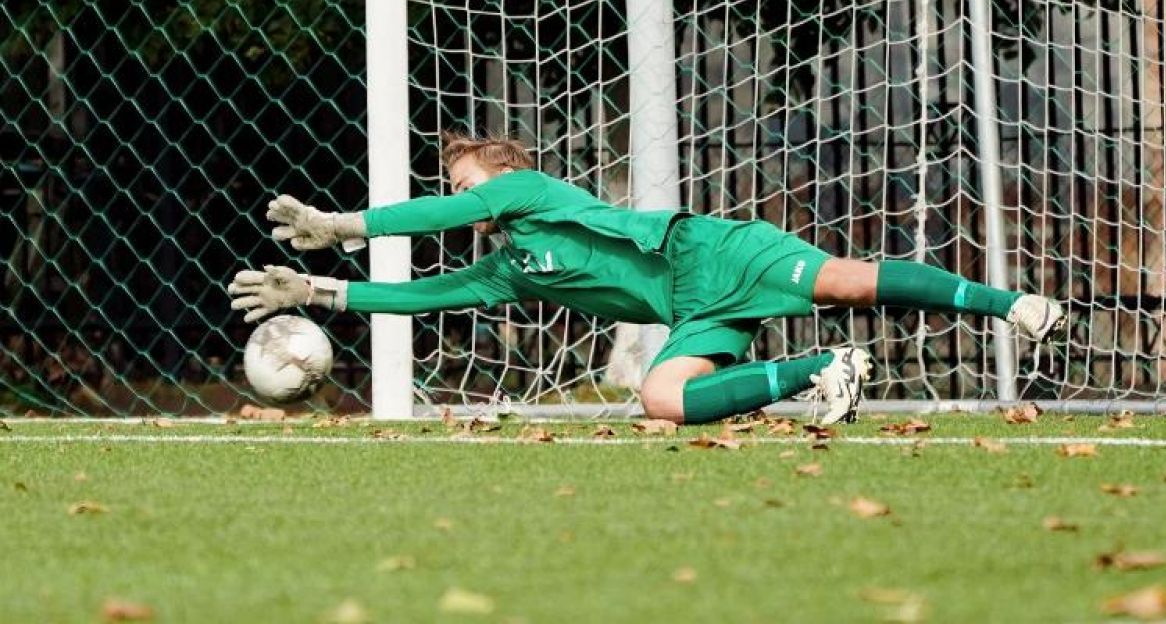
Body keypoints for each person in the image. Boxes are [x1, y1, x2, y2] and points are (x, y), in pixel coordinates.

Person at [227, 132, 1065, 425]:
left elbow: (430, 221)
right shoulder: (507, 267)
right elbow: (422, 295)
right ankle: (822, 371)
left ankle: (1014, 306)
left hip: (710, 250)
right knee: (661, 401)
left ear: (504, 171)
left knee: (848, 281)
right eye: (457, 185)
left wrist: (342, 228)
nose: (461, 195)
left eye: (466, 180)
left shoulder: (530, 191)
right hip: (688, 304)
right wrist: (319, 293)